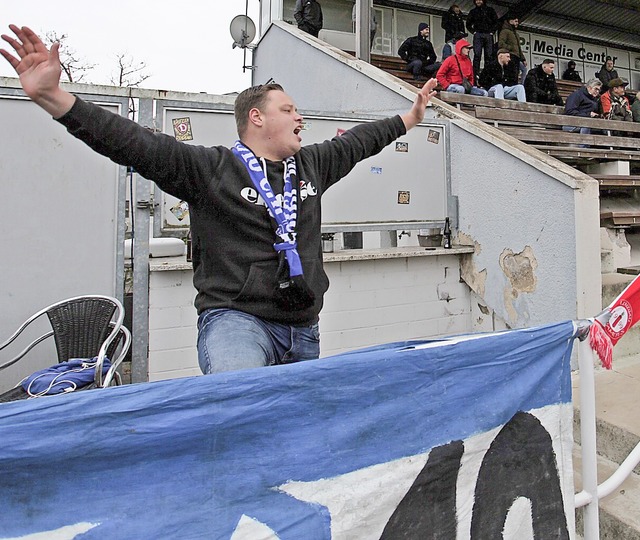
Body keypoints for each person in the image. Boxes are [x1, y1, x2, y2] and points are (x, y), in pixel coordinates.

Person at [0, 24, 438, 375]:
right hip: (237, 322)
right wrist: (54, 97)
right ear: (257, 117)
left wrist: (412, 116)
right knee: (241, 411)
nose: (300, 117)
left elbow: (362, 141)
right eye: (288, 110)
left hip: (304, 328)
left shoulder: (312, 165)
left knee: (289, 432)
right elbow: (134, 144)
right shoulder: (211, 171)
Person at [466, 0, 498, 77]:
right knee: (477, 55)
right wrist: (474, 32)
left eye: (480, 0)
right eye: (476, 0)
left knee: (489, 56)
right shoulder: (473, 11)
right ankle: (475, 74)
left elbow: (496, 22)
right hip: (478, 34)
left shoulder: (490, 10)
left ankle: (487, 75)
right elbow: (468, 24)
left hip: (488, 34)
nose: (478, 2)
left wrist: (492, 32)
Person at [497, 15, 526, 83]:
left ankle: (520, 86)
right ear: (510, 21)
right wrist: (510, 49)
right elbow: (501, 44)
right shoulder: (505, 31)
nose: (517, 23)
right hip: (510, 55)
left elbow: (519, 48)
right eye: (515, 21)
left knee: (522, 70)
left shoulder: (516, 34)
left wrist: (523, 58)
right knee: (512, 73)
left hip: (517, 57)